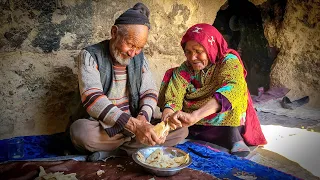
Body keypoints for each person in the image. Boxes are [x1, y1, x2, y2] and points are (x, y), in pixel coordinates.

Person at [68, 3, 188, 161]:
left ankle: (112, 152)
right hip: (107, 127)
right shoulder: (90, 55)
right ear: (114, 32)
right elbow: (93, 99)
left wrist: (143, 119)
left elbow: (149, 92)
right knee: (80, 132)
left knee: (181, 130)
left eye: (139, 47)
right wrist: (135, 126)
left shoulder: (139, 57)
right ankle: (134, 147)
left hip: (135, 123)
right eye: (130, 45)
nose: (133, 53)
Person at [158, 23, 267, 157]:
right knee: (173, 75)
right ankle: (192, 130)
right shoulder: (185, 69)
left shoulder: (228, 61)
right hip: (192, 121)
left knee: (236, 88)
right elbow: (174, 96)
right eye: (188, 52)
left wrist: (195, 116)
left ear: (211, 47)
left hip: (218, 119)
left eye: (198, 51)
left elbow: (233, 88)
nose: (192, 57)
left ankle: (234, 137)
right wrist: (168, 113)